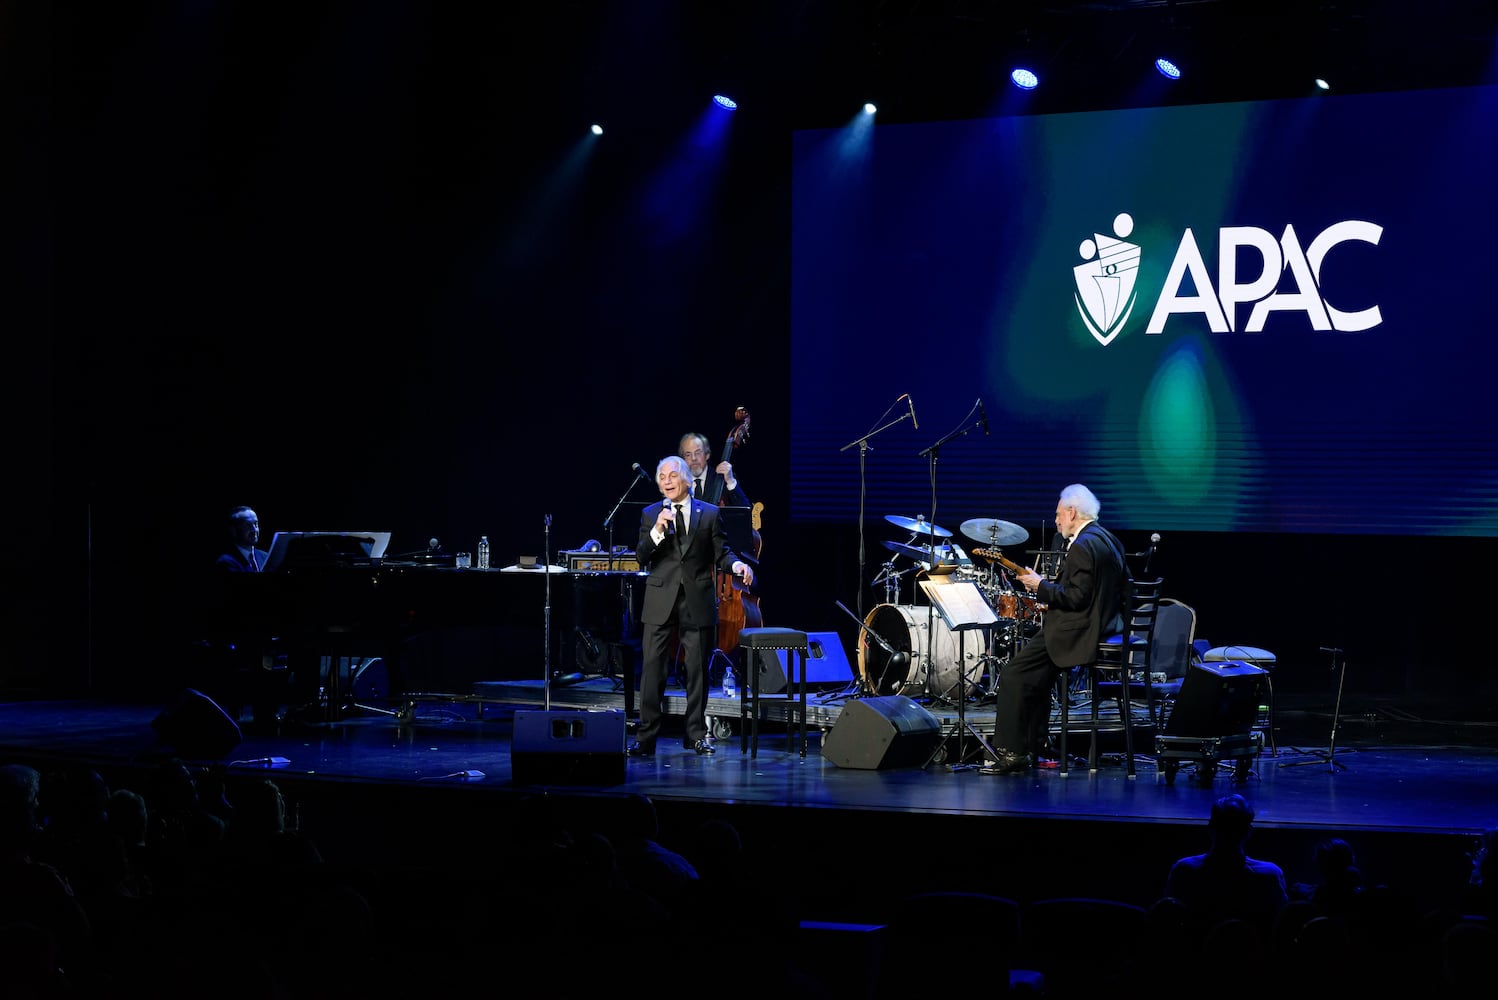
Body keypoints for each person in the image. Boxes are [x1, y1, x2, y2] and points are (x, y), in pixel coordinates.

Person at [981, 484, 1127, 775]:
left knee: (1013, 674)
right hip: (1100, 626)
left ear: (1072, 513)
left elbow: (1075, 597)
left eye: (1059, 514)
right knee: (1036, 676)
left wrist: (1040, 587)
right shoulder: (1107, 539)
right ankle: (1033, 744)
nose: (1057, 519)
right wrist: (1047, 588)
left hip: (1078, 632)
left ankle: (1011, 753)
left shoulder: (1083, 546)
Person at [630, 456, 754, 757]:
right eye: (662, 477)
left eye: (673, 475)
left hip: (697, 601)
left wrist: (736, 564)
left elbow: (721, 552)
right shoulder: (651, 514)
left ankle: (696, 735)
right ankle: (646, 738)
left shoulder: (709, 513)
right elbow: (641, 556)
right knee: (652, 671)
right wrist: (658, 529)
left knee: (697, 671)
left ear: (686, 479)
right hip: (660, 601)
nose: (667, 480)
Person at [1164, 793, 1288, 935]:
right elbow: (1280, 925)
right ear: (1248, 832)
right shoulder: (1269, 875)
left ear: (1210, 827)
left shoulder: (1183, 871)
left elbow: (1168, 920)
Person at [678, 432, 749, 508]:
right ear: (683, 459)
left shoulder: (723, 478)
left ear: (707, 455)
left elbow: (745, 510)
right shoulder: (678, 482)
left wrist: (730, 481)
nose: (693, 458)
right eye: (688, 454)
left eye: (698, 453)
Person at [215, 505, 268, 573]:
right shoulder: (226, 562)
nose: (254, 530)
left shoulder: (265, 557)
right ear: (233, 531)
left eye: (256, 524)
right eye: (248, 525)